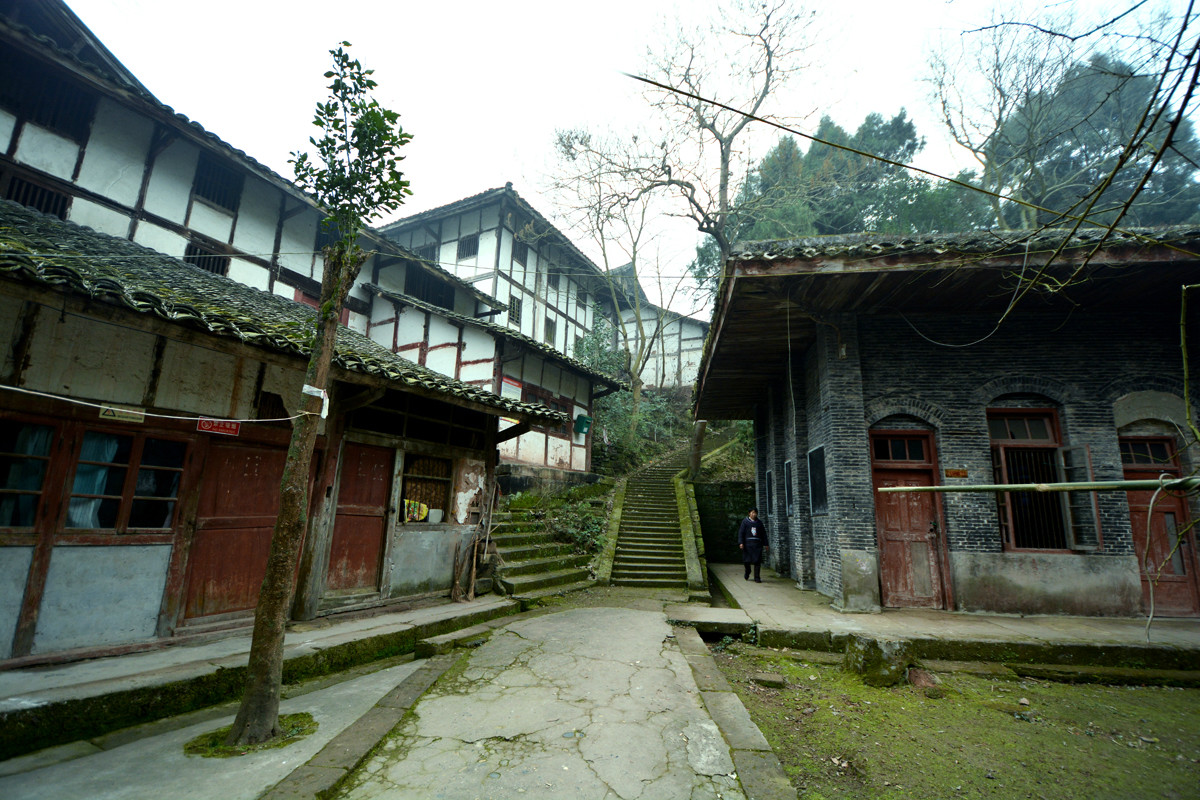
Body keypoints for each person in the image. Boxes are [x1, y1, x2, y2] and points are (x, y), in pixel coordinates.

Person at [738, 508, 768, 582]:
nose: (754, 514)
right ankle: (747, 571)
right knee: (746, 561)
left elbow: (763, 534)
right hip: (747, 544)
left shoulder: (759, 523)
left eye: (755, 513)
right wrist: (741, 542)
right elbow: (741, 533)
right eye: (752, 512)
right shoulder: (745, 522)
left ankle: (757, 577)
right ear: (749, 513)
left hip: (757, 545)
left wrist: (766, 544)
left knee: (757, 561)